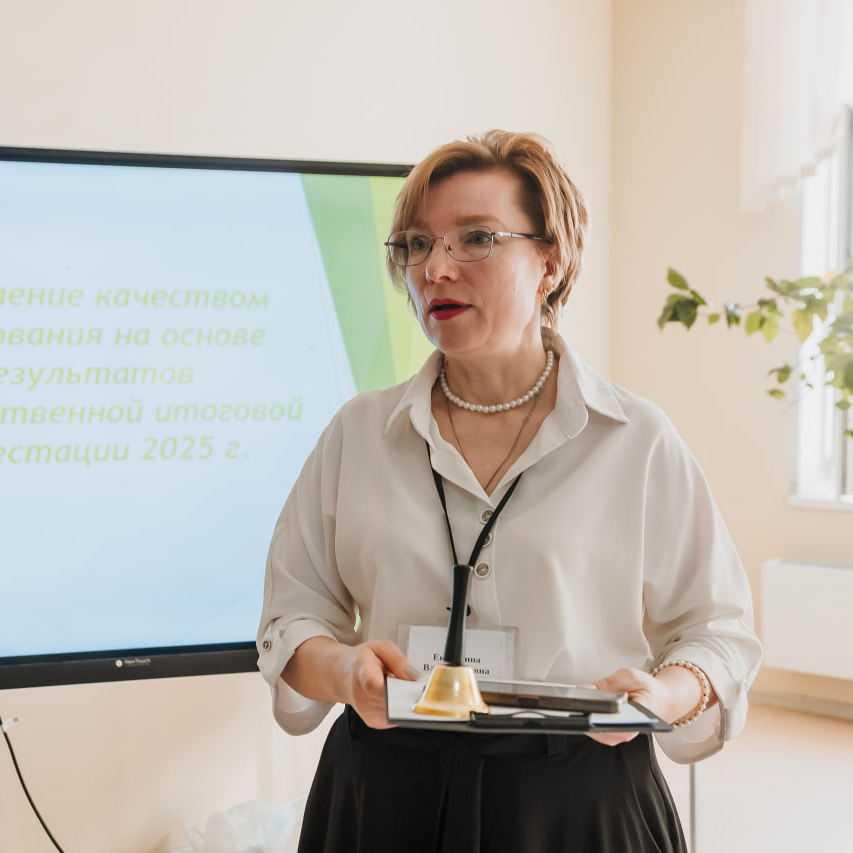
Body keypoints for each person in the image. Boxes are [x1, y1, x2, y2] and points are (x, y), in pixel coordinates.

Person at [256, 130, 761, 853]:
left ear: (550, 261)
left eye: (476, 239)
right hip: (385, 792)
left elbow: (717, 631)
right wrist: (344, 670)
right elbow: (292, 614)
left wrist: (664, 694)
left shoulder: (635, 437)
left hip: (579, 801)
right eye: (417, 244)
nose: (436, 268)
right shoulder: (358, 433)